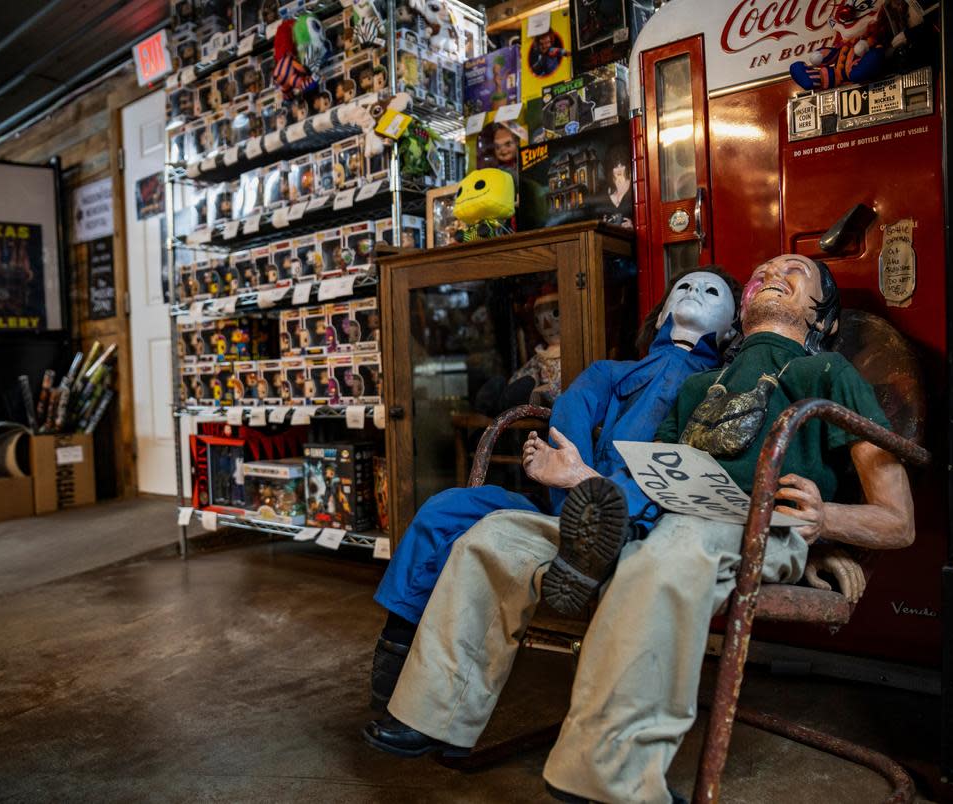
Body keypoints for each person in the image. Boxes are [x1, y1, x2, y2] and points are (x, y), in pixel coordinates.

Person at [363, 255, 915, 804]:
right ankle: (431, 712)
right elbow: (653, 476)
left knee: (671, 551)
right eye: (762, 270)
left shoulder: (829, 374)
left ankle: (609, 773)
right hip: (657, 517)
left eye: (794, 273)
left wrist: (827, 526)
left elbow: (898, 520)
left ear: (826, 321)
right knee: (499, 534)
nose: (771, 274)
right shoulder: (699, 387)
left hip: (753, 525)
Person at [368, 268, 741, 710]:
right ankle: (394, 661)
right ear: (660, 316)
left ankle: (593, 517)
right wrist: (569, 476)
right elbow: (571, 410)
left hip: (643, 514)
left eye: (711, 290)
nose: (696, 290)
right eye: (684, 286)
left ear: (732, 328)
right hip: (566, 503)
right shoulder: (611, 371)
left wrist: (586, 486)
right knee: (445, 508)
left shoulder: (720, 387)